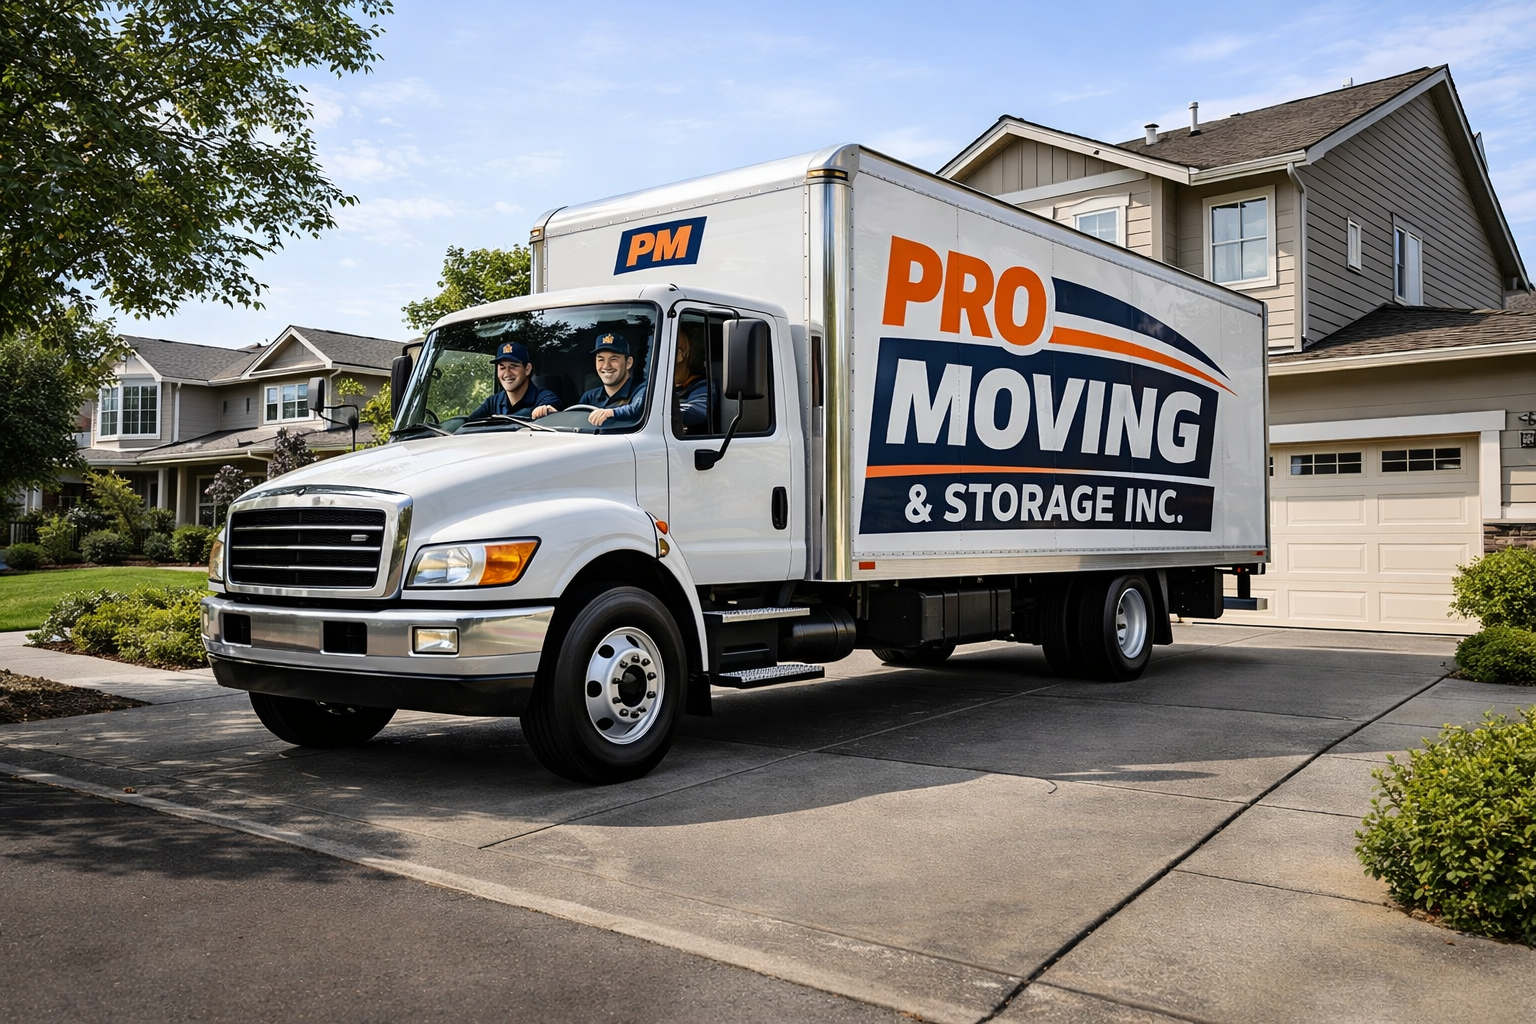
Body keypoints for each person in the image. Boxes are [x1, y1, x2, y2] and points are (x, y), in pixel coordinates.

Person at [468, 340, 561, 420]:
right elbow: (468, 424)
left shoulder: (545, 398)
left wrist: (543, 412)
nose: (507, 373)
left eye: (513, 367)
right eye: (502, 368)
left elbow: (550, 413)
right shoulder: (492, 403)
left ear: (527, 369)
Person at [578, 333, 647, 427]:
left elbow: (636, 410)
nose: (606, 366)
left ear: (629, 363)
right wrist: (558, 415)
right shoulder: (589, 397)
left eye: (613, 359)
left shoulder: (642, 390)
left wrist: (611, 413)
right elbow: (577, 423)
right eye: (601, 359)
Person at [672, 322, 716, 434]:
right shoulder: (650, 386)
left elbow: (698, 411)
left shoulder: (703, 386)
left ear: (681, 355)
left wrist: (662, 413)